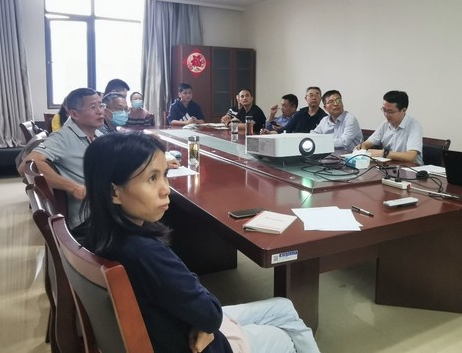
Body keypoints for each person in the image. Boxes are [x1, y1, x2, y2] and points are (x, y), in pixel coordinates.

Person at [80, 133, 320, 353]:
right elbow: (211, 315)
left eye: (165, 175)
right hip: (202, 345)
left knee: (284, 307)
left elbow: (201, 311)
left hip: (177, 325)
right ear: (114, 193)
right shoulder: (147, 254)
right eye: (152, 178)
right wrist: (204, 320)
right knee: (286, 337)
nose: (166, 189)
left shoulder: (94, 234)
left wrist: (202, 318)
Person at [18, 87, 104, 227]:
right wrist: (74, 187)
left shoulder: (98, 134)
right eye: (93, 107)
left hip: (107, 205)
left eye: (101, 105)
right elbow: (26, 165)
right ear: (74, 114)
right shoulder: (63, 138)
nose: (100, 111)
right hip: (91, 218)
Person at [355, 90, 423, 165]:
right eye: (384, 110)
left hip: (412, 168)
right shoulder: (385, 125)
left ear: (403, 110)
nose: (386, 114)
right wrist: (362, 147)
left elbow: (410, 156)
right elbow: (368, 143)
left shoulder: (413, 126)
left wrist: (383, 153)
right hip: (390, 166)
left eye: (390, 111)